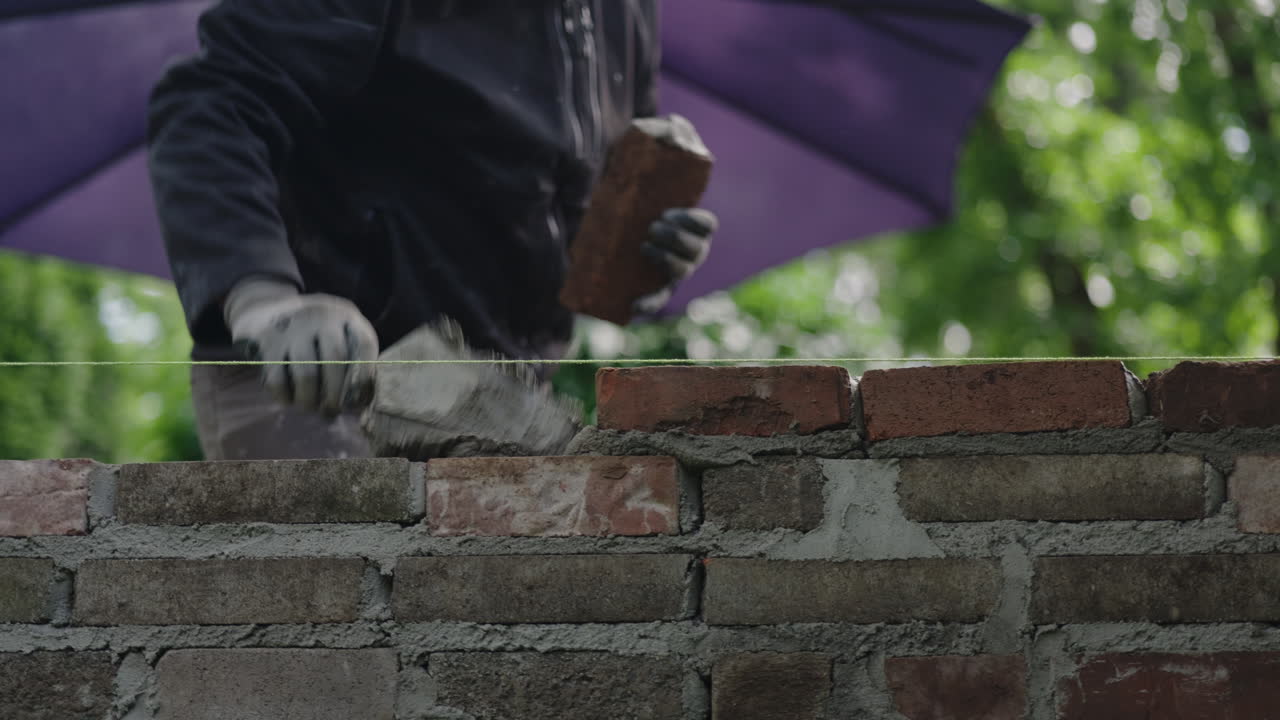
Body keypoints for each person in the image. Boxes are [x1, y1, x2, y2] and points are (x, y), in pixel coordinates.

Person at [146, 1, 717, 461]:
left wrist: (641, 254)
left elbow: (563, 202)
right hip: (328, 382)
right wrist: (263, 300)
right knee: (343, 593)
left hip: (501, 398)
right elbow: (213, 105)